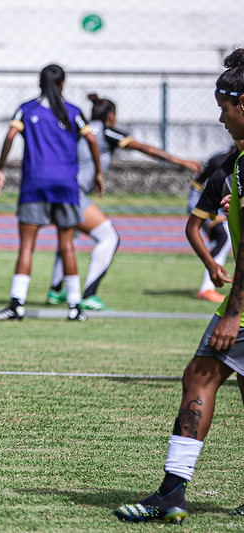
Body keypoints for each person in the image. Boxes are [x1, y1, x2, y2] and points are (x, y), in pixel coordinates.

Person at [114, 48, 244, 525]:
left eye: (224, 107)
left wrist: (233, 310)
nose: (220, 116)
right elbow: (198, 226)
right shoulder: (234, 164)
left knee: (200, 377)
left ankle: (171, 493)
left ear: (243, 103)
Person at [47, 94, 203, 311]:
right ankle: (89, 295)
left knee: (68, 235)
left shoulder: (80, 127)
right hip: (73, 193)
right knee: (109, 237)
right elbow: (144, 148)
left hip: (56, 188)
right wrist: (180, 161)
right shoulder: (107, 131)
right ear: (111, 116)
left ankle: (55, 291)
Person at [0, 64, 103, 322]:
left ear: (39, 84)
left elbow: (10, 135)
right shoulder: (73, 111)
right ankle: (75, 307)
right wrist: (98, 173)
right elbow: (93, 140)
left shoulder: (26, 109)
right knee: (67, 246)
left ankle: (17, 305)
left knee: (27, 246)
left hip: (34, 184)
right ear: (63, 84)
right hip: (65, 185)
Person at [185, 143, 242, 303]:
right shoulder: (222, 163)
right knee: (223, 236)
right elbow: (201, 187)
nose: (222, 121)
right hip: (203, 203)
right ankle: (206, 288)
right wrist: (214, 213)